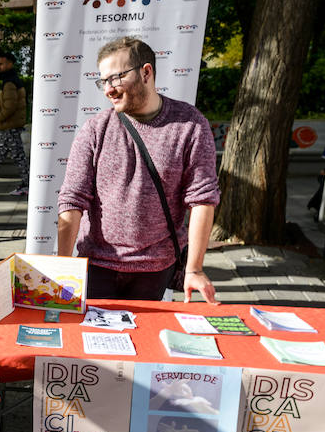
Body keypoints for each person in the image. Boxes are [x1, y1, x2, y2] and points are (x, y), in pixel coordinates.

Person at [56, 36, 220, 303]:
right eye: (103, 81)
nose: (108, 89)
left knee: (144, 340)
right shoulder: (95, 130)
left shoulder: (190, 125)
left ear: (146, 72)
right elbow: (72, 199)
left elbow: (202, 199)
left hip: (155, 269)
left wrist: (194, 269)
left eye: (116, 78)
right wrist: (62, 266)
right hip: (96, 266)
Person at [0, 52, 29, 197]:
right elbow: (9, 103)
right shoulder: (12, 80)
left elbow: (10, 106)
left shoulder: (9, 83)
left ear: (10, 64)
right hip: (11, 126)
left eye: (1, 64)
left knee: (17, 157)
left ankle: (26, 185)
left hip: (10, 126)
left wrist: (0, 118)